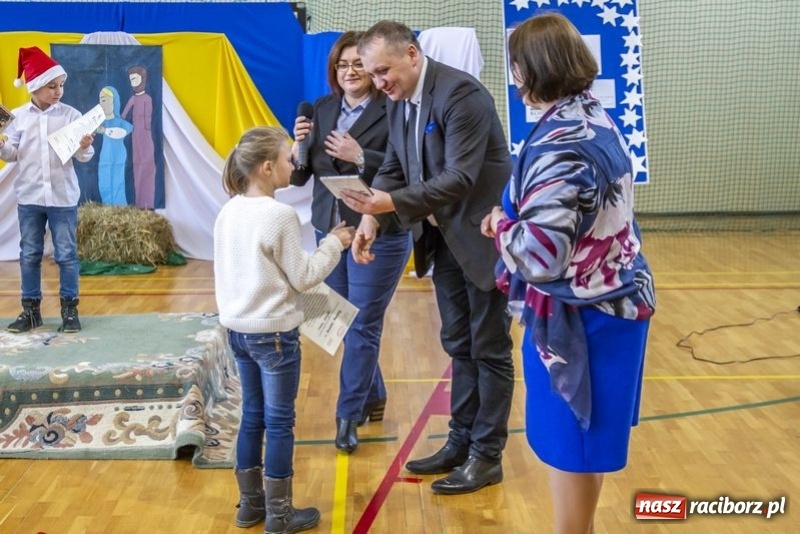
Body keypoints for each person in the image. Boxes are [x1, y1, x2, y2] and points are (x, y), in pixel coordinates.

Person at [481, 13, 655, 534]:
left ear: (530, 68)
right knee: (585, 446)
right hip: (613, 300)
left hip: (585, 317)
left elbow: (541, 257)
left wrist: (500, 225)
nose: (514, 78)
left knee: (574, 444)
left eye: (515, 66)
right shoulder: (592, 115)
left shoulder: (561, 143)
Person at [340, 20, 515, 495]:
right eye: (373, 75)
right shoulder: (399, 102)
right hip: (443, 242)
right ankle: (460, 441)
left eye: (383, 71)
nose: (379, 83)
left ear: (412, 54)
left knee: (490, 349)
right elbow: (396, 165)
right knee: (458, 343)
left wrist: (387, 205)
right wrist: (371, 217)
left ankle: (487, 454)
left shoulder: (463, 96)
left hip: (481, 241)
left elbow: (459, 178)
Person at [214, 126, 353, 532]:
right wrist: (336, 243)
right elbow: (304, 276)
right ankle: (279, 515)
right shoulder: (279, 214)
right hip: (275, 335)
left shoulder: (229, 210)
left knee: (251, 416)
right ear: (267, 166)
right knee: (279, 422)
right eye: (289, 158)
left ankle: (250, 506)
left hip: (238, 332)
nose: (296, 163)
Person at [290, 31, 411, 454]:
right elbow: (301, 176)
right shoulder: (321, 109)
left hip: (381, 230)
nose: (350, 71)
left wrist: (362, 155)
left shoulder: (393, 107)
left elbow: (409, 167)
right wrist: (296, 148)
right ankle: (372, 395)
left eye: (358, 63)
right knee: (338, 322)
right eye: (342, 65)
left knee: (363, 324)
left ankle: (347, 415)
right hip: (331, 231)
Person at [0, 46, 94, 334]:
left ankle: (69, 310)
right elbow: (13, 154)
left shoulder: (70, 115)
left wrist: (85, 146)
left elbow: (83, 157)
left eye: (61, 85)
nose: (58, 91)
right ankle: (31, 312)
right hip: (29, 197)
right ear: (35, 86)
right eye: (52, 86)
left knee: (66, 254)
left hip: (62, 197)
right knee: (29, 254)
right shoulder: (19, 117)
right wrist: (2, 146)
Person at [122, 66, 157, 209]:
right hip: (136, 136)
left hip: (146, 136)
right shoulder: (132, 98)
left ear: (142, 79)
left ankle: (148, 202)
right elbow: (124, 115)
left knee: (148, 167)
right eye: (131, 79)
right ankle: (139, 202)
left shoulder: (147, 99)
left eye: (135, 79)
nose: (133, 82)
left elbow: (148, 120)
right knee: (137, 168)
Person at [97, 85, 133, 205]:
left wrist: (104, 131)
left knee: (117, 181)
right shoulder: (99, 122)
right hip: (104, 156)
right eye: (100, 100)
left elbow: (120, 133)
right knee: (104, 180)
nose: (102, 103)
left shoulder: (121, 123)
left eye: (104, 99)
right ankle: (107, 205)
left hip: (118, 155)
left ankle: (119, 206)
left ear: (114, 101)